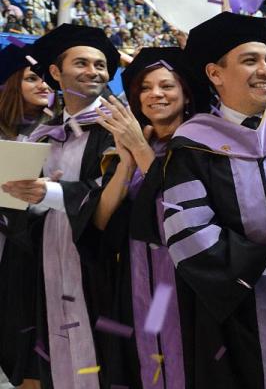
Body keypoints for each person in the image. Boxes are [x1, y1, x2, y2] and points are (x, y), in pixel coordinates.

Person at [162, 12, 266, 388]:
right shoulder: (193, 147)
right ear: (215, 74)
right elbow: (190, 238)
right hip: (240, 321)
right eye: (251, 60)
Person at [3, 24, 122, 389]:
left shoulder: (119, 128)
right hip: (47, 266)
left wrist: (52, 194)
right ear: (55, 72)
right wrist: (27, 200)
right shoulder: (42, 134)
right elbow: (23, 210)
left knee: (107, 362)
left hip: (100, 267)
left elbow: (118, 194)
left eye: (100, 65)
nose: (94, 72)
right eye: (81, 63)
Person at [90, 47, 201, 389]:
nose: (155, 94)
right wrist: (127, 163)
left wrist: (139, 149)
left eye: (166, 86)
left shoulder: (202, 146)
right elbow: (101, 222)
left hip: (187, 280)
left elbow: (178, 209)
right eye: (145, 88)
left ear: (186, 94)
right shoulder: (131, 147)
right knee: (146, 364)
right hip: (137, 279)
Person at [0, 43, 54, 389]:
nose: (44, 85)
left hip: (43, 251)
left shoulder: (65, 129)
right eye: (32, 78)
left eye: (47, 77)